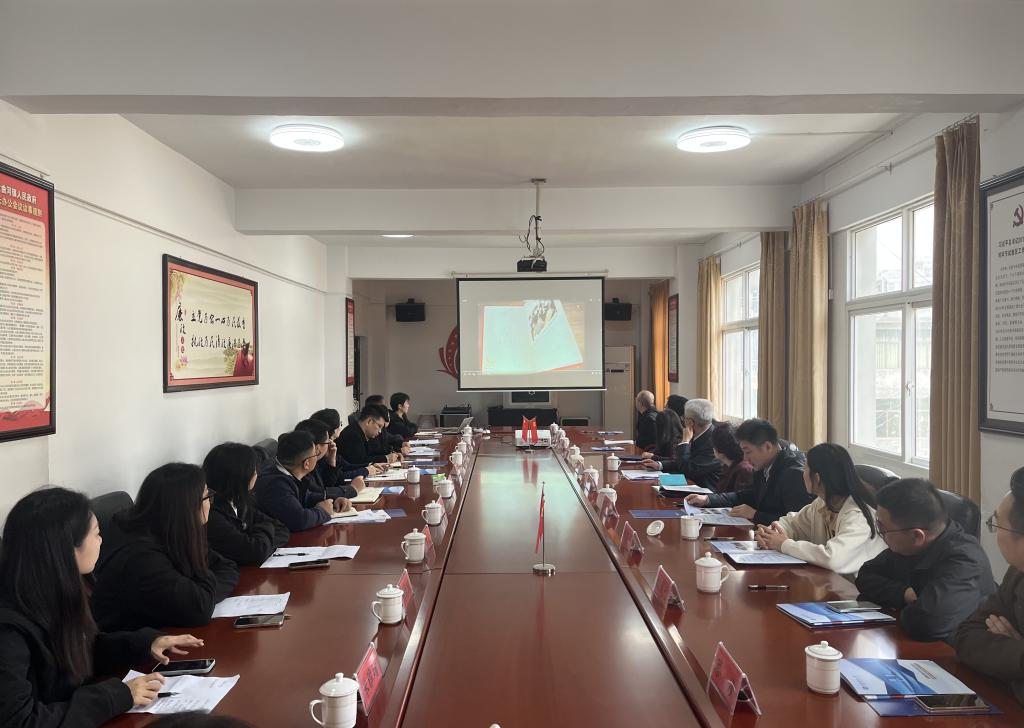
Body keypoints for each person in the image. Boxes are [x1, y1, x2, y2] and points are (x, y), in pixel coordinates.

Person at [0, 487, 204, 728]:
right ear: (66, 549)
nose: (101, 540)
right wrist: (116, 696)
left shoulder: (52, 593)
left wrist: (145, 643)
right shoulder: (8, 629)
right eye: (96, 533)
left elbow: (82, 650)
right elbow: (19, 722)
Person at [92, 464, 240, 632]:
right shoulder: (141, 556)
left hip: (165, 631)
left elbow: (228, 567)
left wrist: (206, 594)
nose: (210, 505)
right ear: (187, 507)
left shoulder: (172, 531)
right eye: (207, 497)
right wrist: (203, 595)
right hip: (136, 642)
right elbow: (199, 610)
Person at [855, 478, 995, 643]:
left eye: (883, 529)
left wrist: (911, 607)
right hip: (911, 642)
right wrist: (905, 594)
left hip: (954, 652)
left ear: (917, 536)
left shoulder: (965, 561)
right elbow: (865, 576)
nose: (882, 535)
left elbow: (927, 623)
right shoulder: (909, 545)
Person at [756, 443, 885, 579]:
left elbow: (833, 559)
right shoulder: (823, 503)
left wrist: (784, 544)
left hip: (858, 588)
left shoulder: (859, 515)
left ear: (817, 478)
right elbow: (794, 523)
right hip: (831, 582)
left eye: (805, 469)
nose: (802, 474)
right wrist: (771, 533)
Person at [955, 468, 1024, 701]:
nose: (995, 534)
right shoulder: (1017, 573)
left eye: (997, 524)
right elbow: (966, 636)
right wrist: (1018, 655)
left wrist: (1009, 657)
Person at [685, 418, 811, 525]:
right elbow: (748, 495)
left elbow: (796, 524)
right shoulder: (763, 464)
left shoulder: (793, 474)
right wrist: (708, 499)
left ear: (767, 446)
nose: (745, 458)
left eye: (748, 452)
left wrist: (755, 514)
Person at [203, 442, 289, 566]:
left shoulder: (239, 501)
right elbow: (256, 552)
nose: (256, 475)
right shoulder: (211, 514)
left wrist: (262, 543)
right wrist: (265, 531)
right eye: (253, 471)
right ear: (240, 477)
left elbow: (282, 530)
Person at [254, 430, 351, 532]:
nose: (318, 456)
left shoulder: (286, 472)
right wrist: (323, 511)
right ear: (306, 464)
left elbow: (306, 496)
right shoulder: (276, 485)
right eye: (315, 453)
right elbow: (300, 520)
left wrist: (333, 500)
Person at [641, 398, 723, 490]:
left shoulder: (714, 441)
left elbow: (688, 470)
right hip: (689, 483)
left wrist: (685, 442)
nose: (682, 420)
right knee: (652, 483)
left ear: (690, 422)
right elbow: (682, 460)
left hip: (704, 490)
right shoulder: (697, 432)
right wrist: (660, 465)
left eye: (684, 418)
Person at [295, 418, 369, 499]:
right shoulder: (306, 466)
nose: (332, 444)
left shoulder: (314, 462)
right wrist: (352, 489)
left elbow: (327, 485)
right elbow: (318, 494)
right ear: (317, 448)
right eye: (328, 442)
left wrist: (331, 461)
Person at [709, 422, 753, 494]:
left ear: (721, 450)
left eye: (714, 445)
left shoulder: (744, 470)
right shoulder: (727, 466)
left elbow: (738, 498)